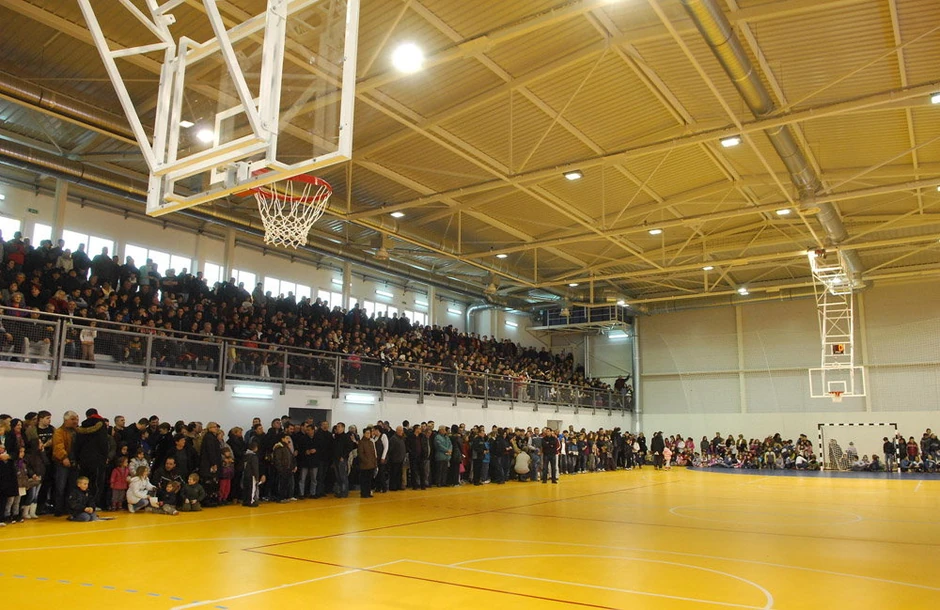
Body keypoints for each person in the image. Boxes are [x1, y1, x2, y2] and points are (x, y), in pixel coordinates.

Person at [52, 410, 79, 516]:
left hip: (75, 462)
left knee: (72, 487)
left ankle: (69, 508)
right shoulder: (59, 432)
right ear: (65, 420)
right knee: (60, 487)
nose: (75, 421)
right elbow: (58, 446)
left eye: (76, 419)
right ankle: (58, 509)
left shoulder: (77, 431)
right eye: (72, 419)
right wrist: (64, 457)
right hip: (62, 463)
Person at [242, 441, 263, 507]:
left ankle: (245, 500)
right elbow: (255, 467)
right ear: (255, 448)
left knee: (246, 488)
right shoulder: (253, 456)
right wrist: (257, 477)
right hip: (252, 475)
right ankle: (251, 501)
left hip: (245, 474)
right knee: (252, 488)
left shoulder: (245, 455)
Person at [357, 426, 377, 498]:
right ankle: (364, 493)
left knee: (369, 480)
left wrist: (374, 462)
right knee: (364, 480)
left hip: (371, 465)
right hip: (364, 465)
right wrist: (366, 461)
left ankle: (368, 492)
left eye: (369, 433)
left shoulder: (371, 442)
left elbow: (374, 453)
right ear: (364, 434)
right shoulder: (361, 442)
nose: (368, 434)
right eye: (367, 433)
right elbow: (360, 454)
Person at [386, 426, 406, 492]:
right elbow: (390, 450)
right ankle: (393, 487)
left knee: (399, 474)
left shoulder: (402, 438)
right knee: (394, 474)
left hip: (400, 459)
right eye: (399, 430)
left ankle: (398, 485)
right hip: (394, 460)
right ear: (396, 431)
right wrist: (392, 457)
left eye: (402, 430)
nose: (401, 432)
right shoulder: (393, 439)